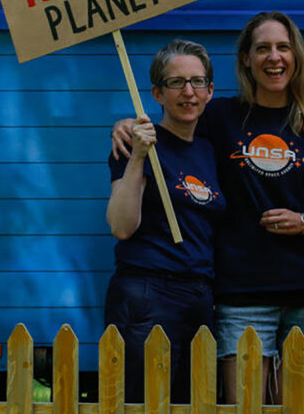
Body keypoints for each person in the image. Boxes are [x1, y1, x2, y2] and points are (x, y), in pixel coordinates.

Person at [114, 13, 304, 403]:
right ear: (245, 59)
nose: (274, 57)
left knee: (297, 407)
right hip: (242, 290)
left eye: (283, 47)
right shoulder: (219, 117)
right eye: (263, 48)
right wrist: (123, 124)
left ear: (297, 56)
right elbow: (172, 127)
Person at [105, 39, 225, 404]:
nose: (188, 92)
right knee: (146, 403)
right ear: (157, 93)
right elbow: (121, 226)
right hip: (149, 295)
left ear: (210, 91)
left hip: (200, 295)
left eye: (197, 82)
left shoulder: (209, 147)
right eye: (176, 83)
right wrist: (139, 157)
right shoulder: (137, 144)